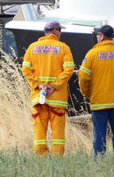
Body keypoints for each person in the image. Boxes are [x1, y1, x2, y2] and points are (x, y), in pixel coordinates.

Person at [78, 25, 114, 156]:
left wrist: (87, 92)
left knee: (99, 132)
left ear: (102, 36)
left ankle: (100, 160)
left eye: (97, 35)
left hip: (99, 101)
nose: (97, 37)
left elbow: (83, 77)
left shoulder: (92, 54)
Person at [22, 20, 75, 156]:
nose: (60, 34)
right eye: (60, 31)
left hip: (39, 98)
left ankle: (40, 160)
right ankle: (57, 161)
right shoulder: (63, 48)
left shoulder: (32, 47)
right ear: (55, 31)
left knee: (39, 133)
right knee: (58, 134)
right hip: (57, 98)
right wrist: (54, 86)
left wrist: (39, 85)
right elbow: (69, 69)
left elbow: (26, 70)